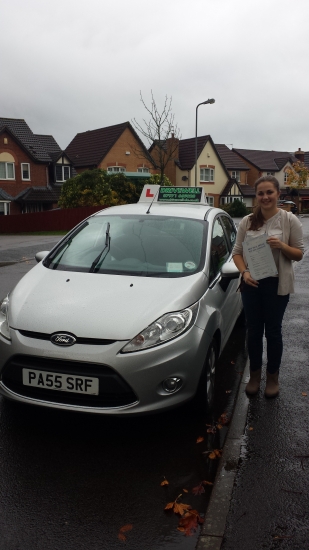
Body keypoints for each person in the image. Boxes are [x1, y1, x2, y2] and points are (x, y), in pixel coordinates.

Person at [232, 176, 304, 398]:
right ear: (256, 196)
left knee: (273, 332)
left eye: (269, 192)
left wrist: (282, 245)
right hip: (252, 283)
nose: (265, 197)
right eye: (261, 193)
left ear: (278, 194)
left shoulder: (289, 220)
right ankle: (254, 376)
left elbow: (299, 254)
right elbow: (237, 253)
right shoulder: (247, 221)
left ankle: (273, 377)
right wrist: (244, 273)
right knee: (253, 332)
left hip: (276, 284)